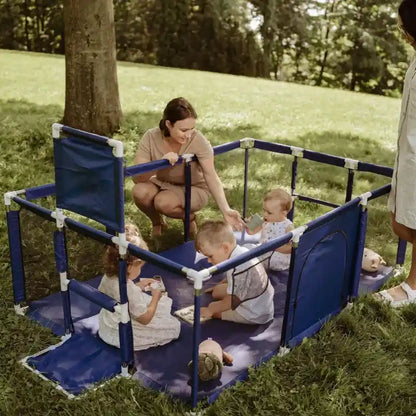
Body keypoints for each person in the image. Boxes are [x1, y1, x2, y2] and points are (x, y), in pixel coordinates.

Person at [132, 97, 244, 237]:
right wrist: (159, 164)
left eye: (192, 129)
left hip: (193, 188)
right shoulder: (150, 137)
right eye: (184, 130)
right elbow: (137, 178)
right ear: (168, 124)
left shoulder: (198, 140)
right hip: (162, 182)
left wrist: (226, 210)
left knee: (163, 202)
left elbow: (211, 175)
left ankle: (189, 217)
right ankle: (157, 222)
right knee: (139, 191)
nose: (189, 135)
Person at [377, 0, 416, 306]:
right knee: (401, 224)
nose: (401, 32)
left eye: (403, 26)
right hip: (408, 153)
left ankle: (412, 288)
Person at [98, 224, 180, 350]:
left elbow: (116, 294)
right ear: (130, 266)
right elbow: (145, 319)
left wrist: (138, 286)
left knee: (149, 302)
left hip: (107, 325)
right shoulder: (129, 289)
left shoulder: (108, 277)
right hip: (124, 332)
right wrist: (155, 298)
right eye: (140, 267)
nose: (141, 270)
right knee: (174, 326)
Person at [196, 220, 274, 324]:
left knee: (214, 313)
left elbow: (233, 300)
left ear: (225, 248)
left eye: (210, 256)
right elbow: (235, 280)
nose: (209, 261)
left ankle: (217, 313)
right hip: (256, 301)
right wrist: (221, 284)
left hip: (254, 313)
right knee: (216, 292)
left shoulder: (239, 267)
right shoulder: (240, 252)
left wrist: (212, 310)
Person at [245, 188, 294, 271]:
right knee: (246, 248)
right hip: (264, 250)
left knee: (253, 259)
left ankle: (251, 269)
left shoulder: (288, 226)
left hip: (278, 256)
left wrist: (273, 247)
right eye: (264, 210)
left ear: (283, 213)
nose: (265, 214)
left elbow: (292, 248)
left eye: (269, 212)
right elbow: (251, 232)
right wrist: (249, 225)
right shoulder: (265, 220)